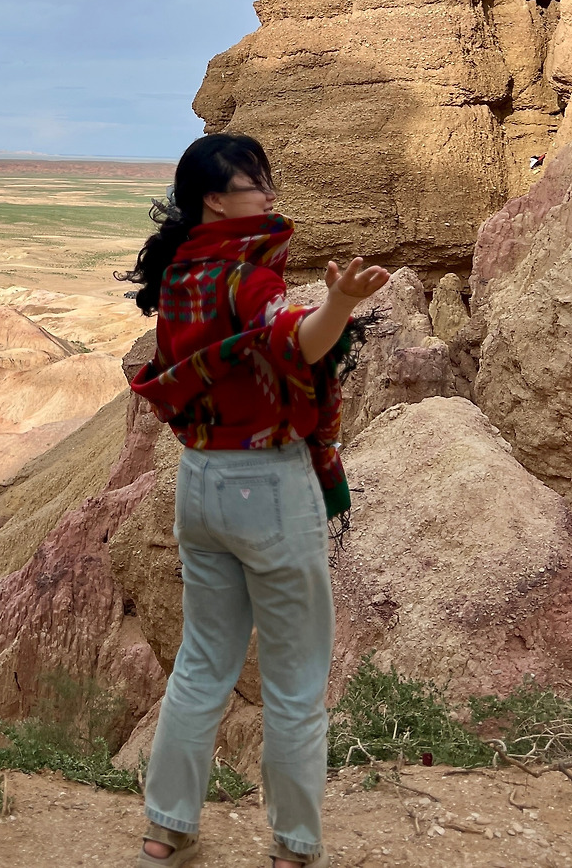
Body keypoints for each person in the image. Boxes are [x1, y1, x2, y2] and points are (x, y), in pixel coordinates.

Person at [121, 133, 389, 868]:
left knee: (202, 661)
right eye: (255, 182)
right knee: (296, 678)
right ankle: (293, 847)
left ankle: (166, 831)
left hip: (199, 482)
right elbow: (298, 343)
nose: (269, 194)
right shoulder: (247, 277)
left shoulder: (181, 275)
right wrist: (340, 302)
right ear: (215, 197)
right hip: (267, 484)